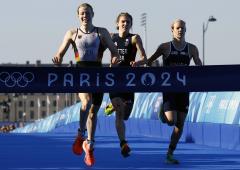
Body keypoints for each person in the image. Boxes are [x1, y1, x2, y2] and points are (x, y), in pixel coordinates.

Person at [52, 3, 120, 166]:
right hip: (80, 74)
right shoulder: (72, 33)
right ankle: (80, 134)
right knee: (86, 101)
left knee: (93, 112)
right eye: (82, 13)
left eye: (87, 13)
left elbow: (114, 51)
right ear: (78, 16)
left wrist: (115, 59)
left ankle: (89, 145)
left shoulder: (101, 32)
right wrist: (57, 60)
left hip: (97, 74)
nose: (85, 16)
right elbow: (59, 53)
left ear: (92, 14)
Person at [147, 19, 202, 164]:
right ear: (172, 30)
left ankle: (170, 153)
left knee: (180, 125)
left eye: (182, 28)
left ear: (185, 30)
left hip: (184, 90)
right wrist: (154, 76)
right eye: (177, 28)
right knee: (172, 121)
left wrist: (201, 68)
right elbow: (150, 60)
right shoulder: (165, 47)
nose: (180, 30)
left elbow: (199, 64)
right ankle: (162, 113)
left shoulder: (192, 48)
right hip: (169, 90)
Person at [108, 12, 147, 157]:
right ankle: (123, 143)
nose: (125, 24)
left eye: (128, 22)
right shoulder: (111, 37)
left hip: (129, 81)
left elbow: (145, 58)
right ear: (117, 23)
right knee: (119, 113)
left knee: (125, 115)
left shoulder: (134, 38)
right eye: (123, 22)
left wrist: (137, 63)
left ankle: (111, 106)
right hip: (114, 80)